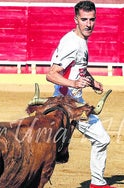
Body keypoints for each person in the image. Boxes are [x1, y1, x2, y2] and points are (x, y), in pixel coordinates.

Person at [46, 1, 116, 188]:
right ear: (76, 19)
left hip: (73, 100)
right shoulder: (72, 43)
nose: (88, 24)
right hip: (69, 104)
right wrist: (74, 83)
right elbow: (51, 74)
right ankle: (97, 184)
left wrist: (92, 82)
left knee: (53, 147)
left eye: (92, 19)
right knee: (102, 139)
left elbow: (78, 69)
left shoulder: (78, 41)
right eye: (84, 19)